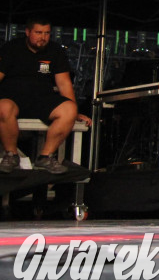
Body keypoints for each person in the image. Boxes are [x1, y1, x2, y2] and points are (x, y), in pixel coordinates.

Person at [0, 19, 92, 174]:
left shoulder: (55, 51)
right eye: (38, 32)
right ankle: (11, 155)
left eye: (46, 33)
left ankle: (46, 156)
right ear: (28, 32)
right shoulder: (12, 48)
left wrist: (75, 112)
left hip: (41, 100)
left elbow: (64, 83)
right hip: (12, 99)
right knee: (3, 107)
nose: (42, 37)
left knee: (69, 109)